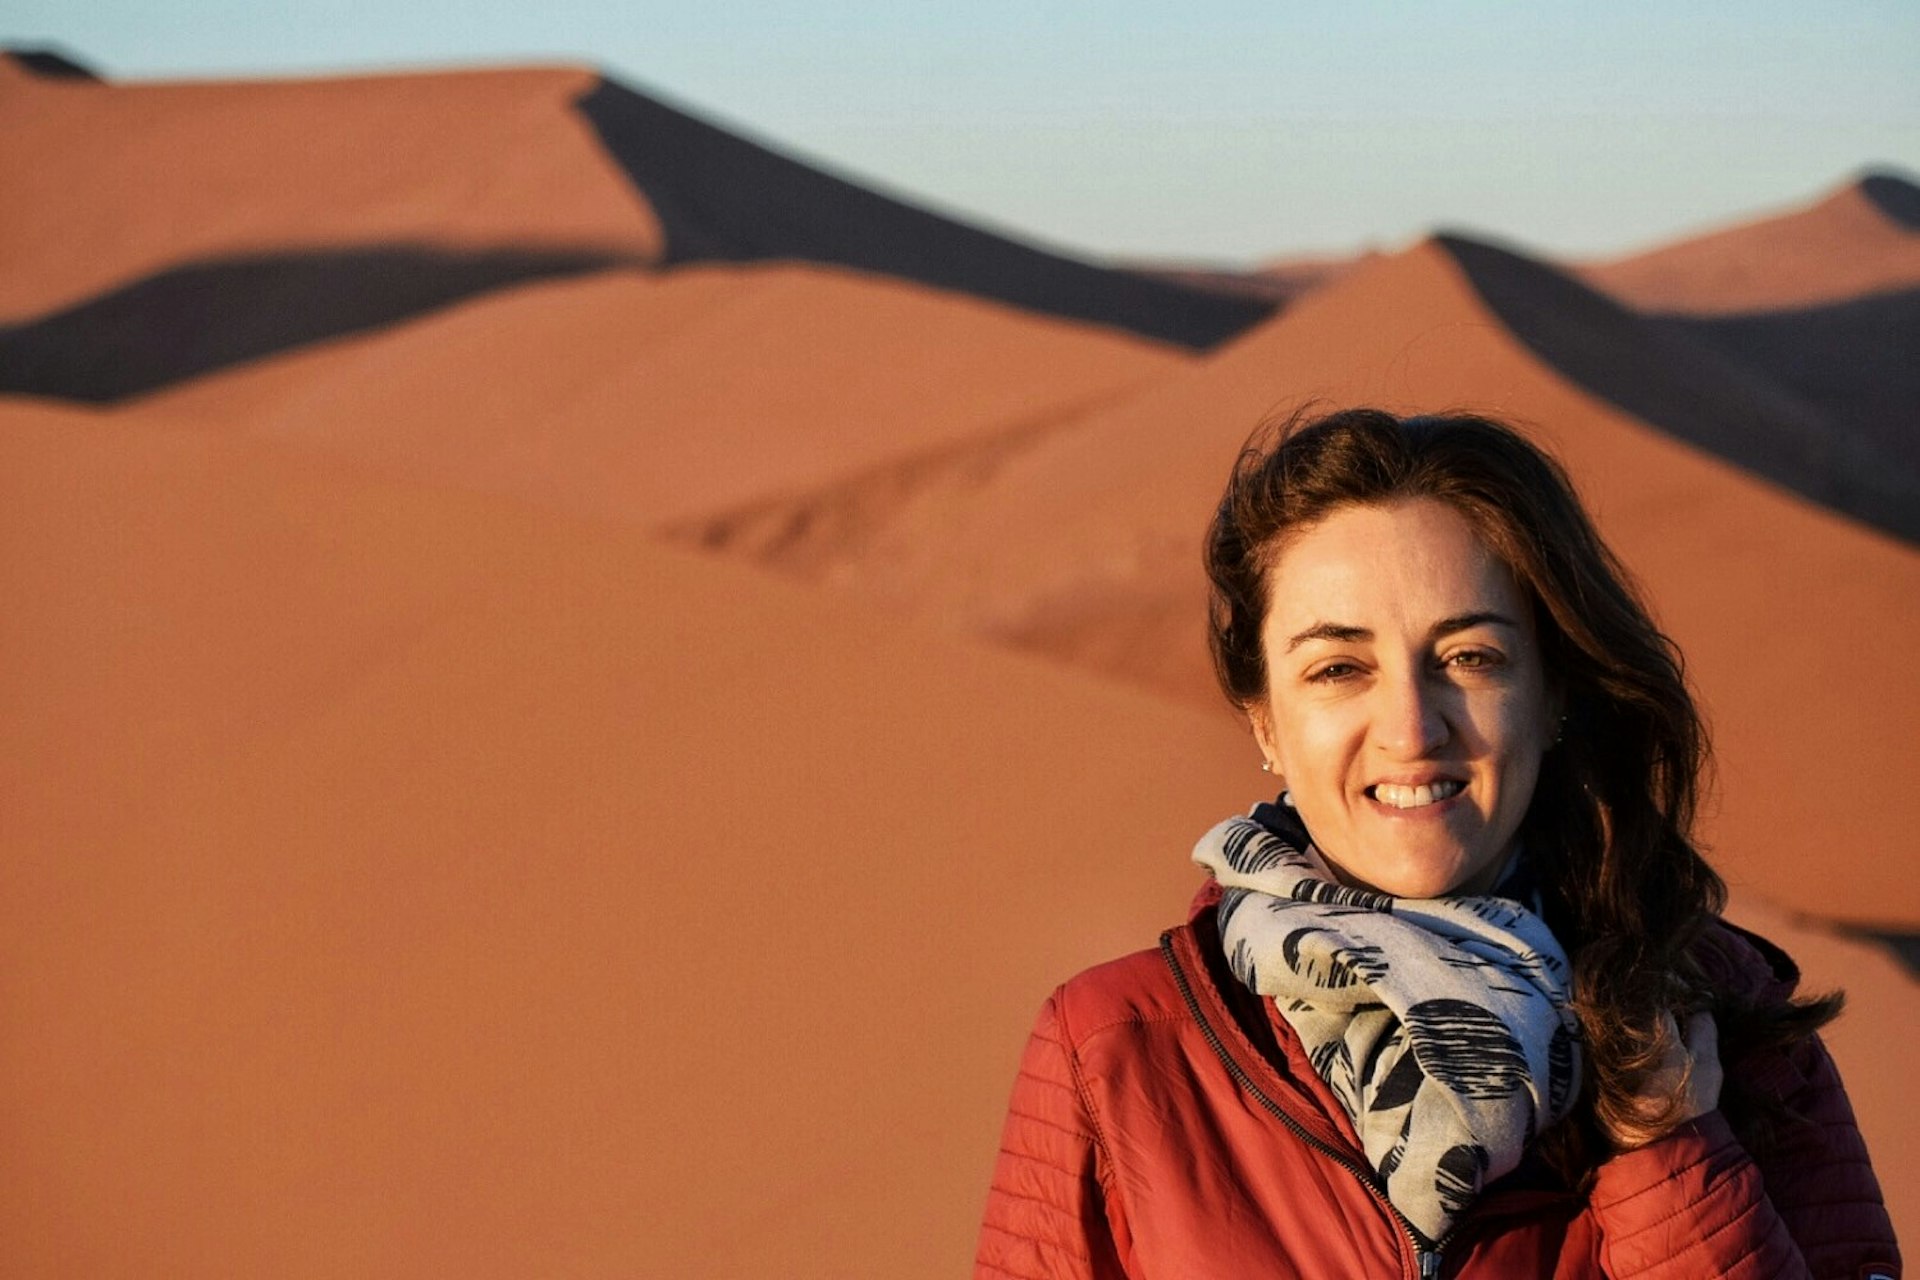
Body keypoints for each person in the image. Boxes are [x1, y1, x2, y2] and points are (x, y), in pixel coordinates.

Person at [974, 409, 1899, 1280]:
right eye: (1339, 669)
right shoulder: (1119, 1051)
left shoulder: (1720, 1020)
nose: (1412, 728)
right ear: (1264, 720)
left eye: (1471, 658)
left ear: (1553, 696)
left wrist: (1672, 1156)